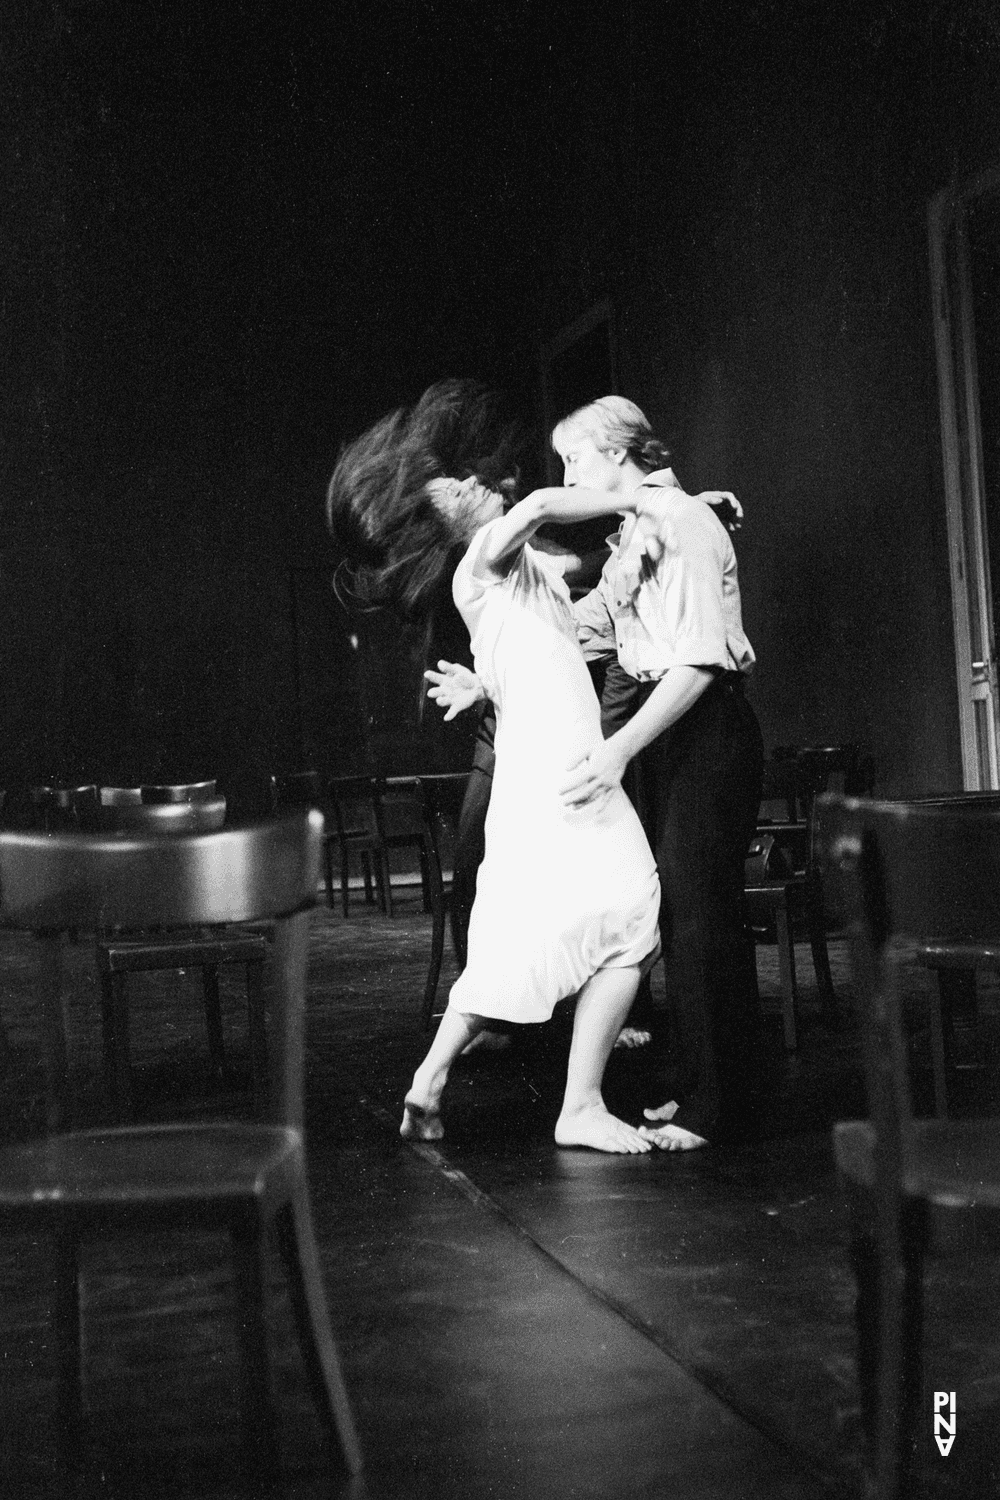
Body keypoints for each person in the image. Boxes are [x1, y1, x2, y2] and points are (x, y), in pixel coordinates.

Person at [326, 379, 662, 1154]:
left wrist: (485, 683)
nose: (475, 485)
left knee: (527, 939)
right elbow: (542, 511)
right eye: (455, 487)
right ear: (440, 516)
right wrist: (651, 501)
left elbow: (557, 626)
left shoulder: (509, 575)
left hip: (537, 766)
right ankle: (578, 1105)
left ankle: (430, 1081)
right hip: (559, 773)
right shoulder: (483, 555)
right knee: (635, 912)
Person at [427, 396, 764, 1151]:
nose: (567, 476)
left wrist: (617, 750)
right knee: (676, 910)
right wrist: (491, 685)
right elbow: (584, 629)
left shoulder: (673, 522)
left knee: (697, 912)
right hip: (662, 732)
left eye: (577, 457)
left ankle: (721, 1107)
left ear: (616, 453)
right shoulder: (641, 531)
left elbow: (701, 660)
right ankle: (697, 1084)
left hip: (699, 726)